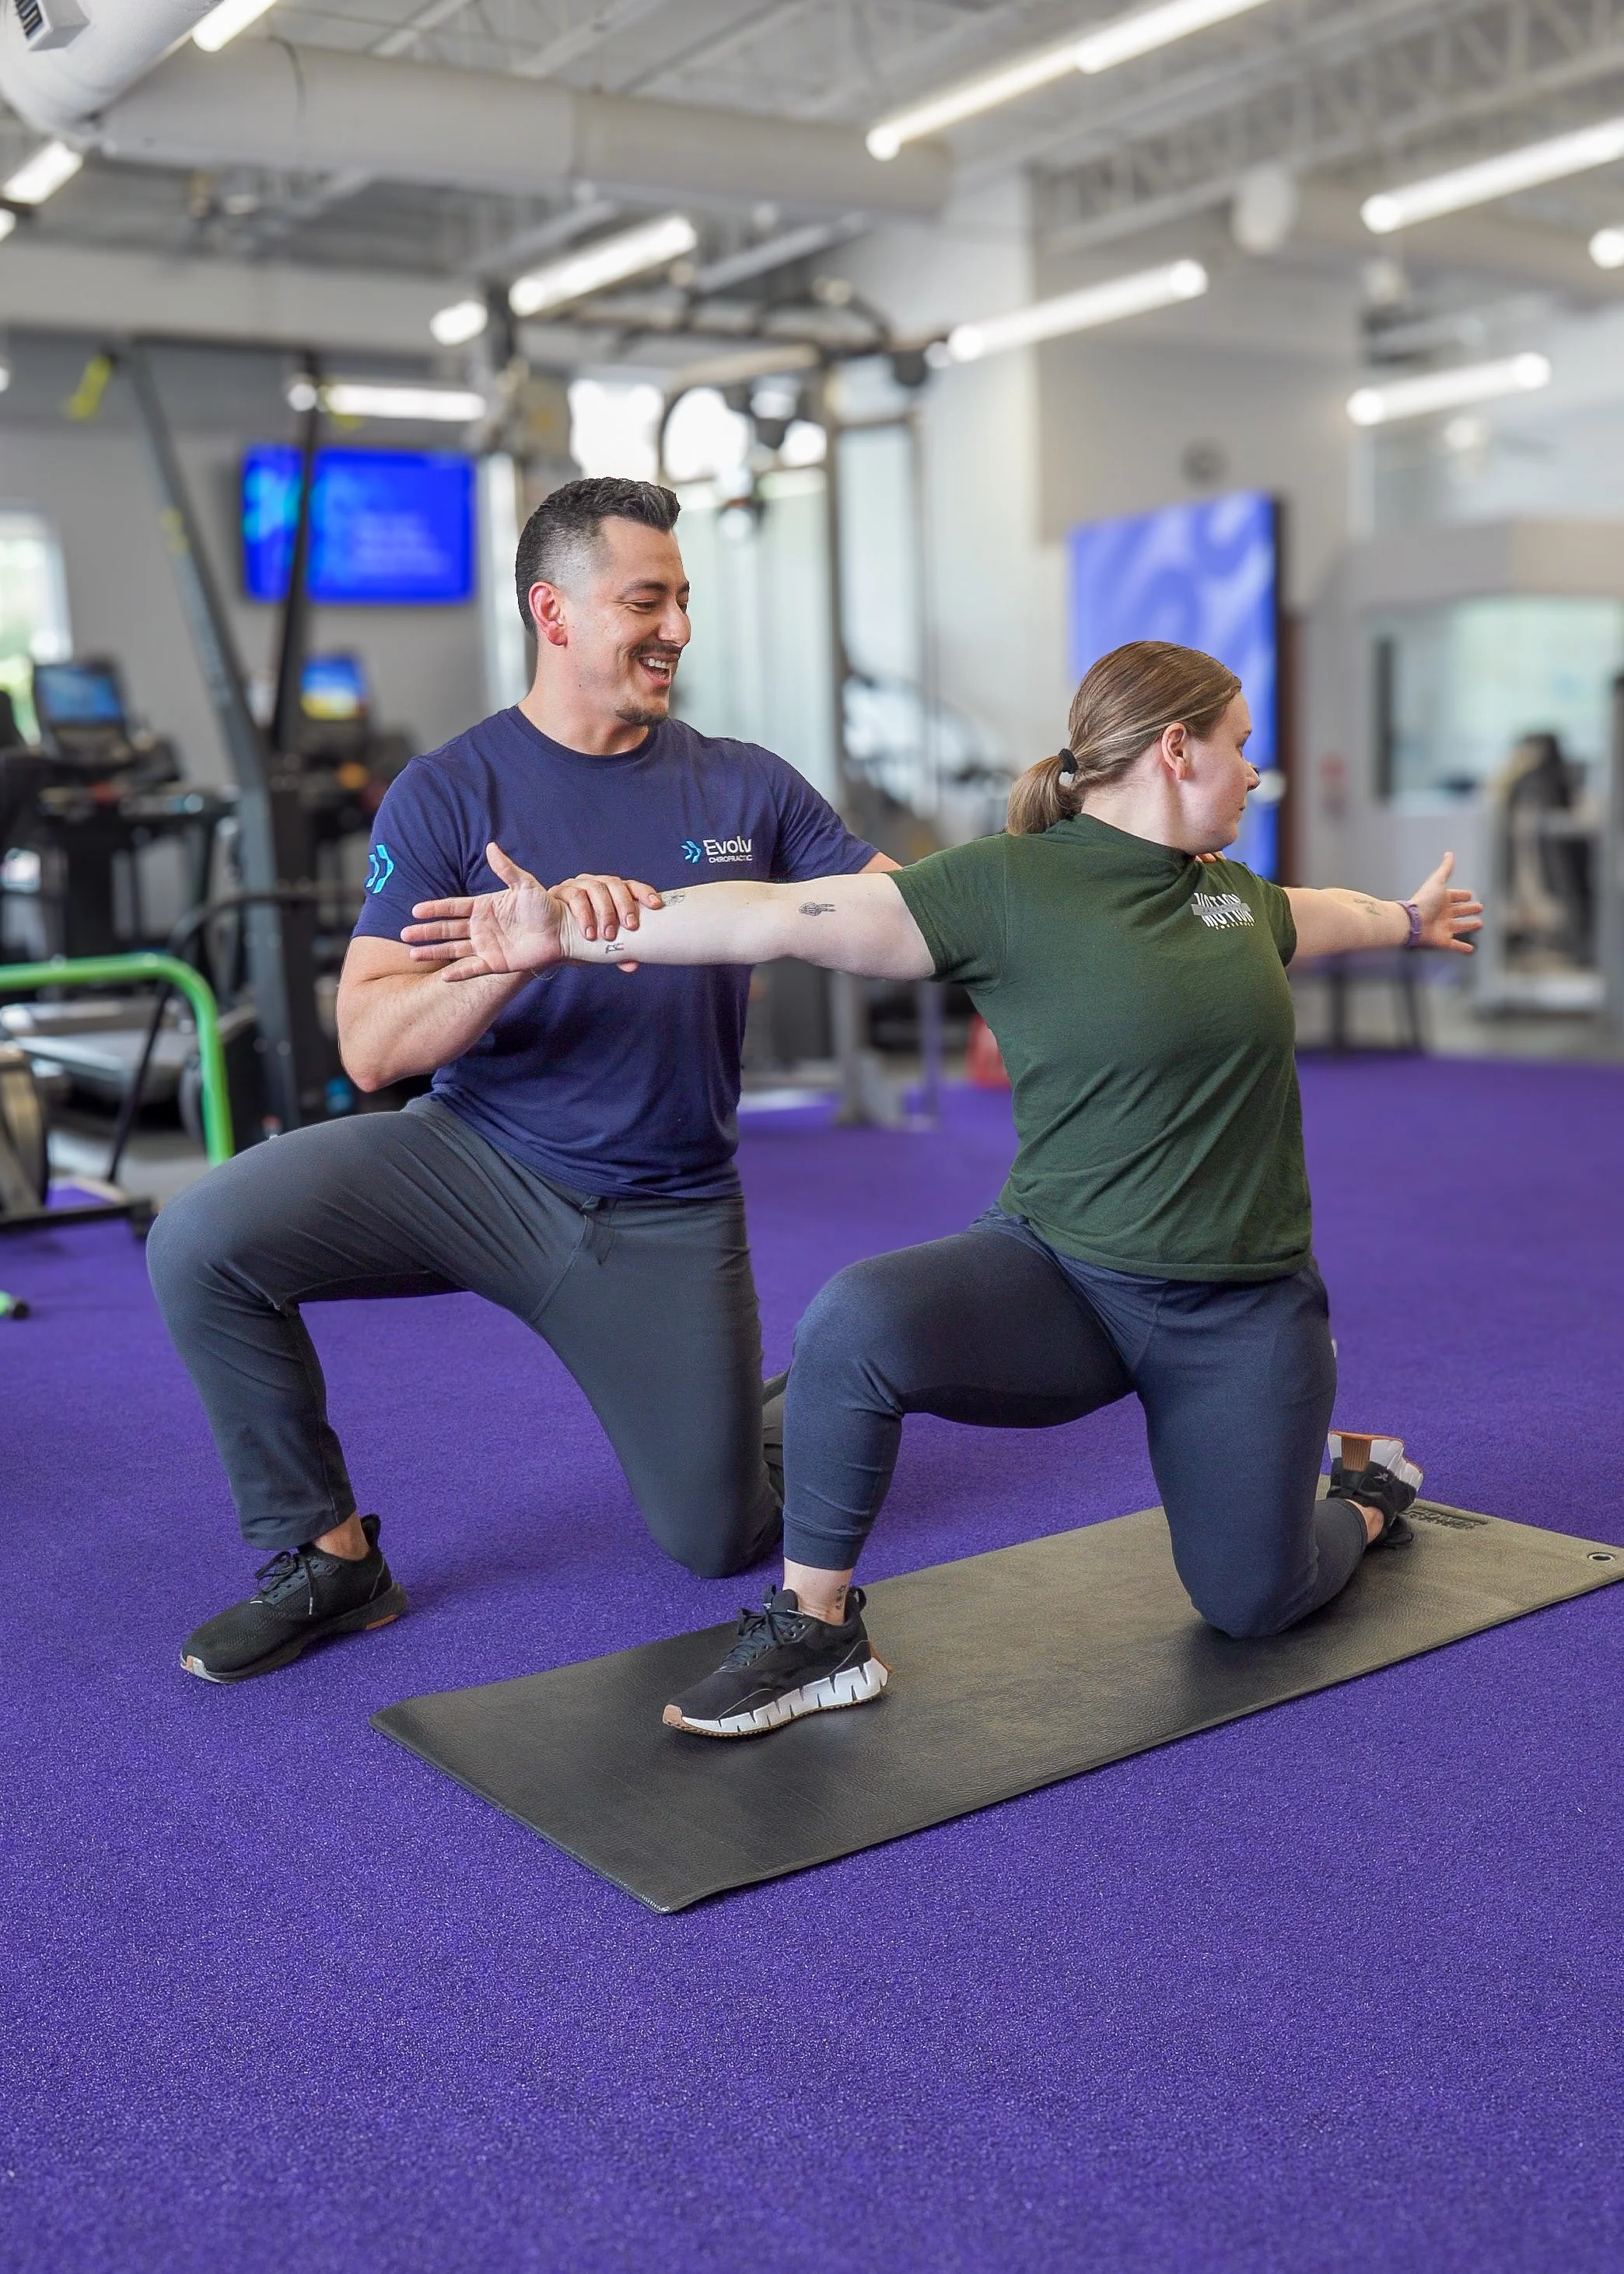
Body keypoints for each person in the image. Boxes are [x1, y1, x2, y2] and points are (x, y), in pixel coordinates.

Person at [401, 639, 1482, 1738]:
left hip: (1244, 1311)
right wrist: (570, 937)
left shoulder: (1235, 900)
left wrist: (1404, 917)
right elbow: (780, 914)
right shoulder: (1001, 889)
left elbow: (1322, 912)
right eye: (1241, 748)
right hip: (1067, 1278)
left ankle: (1365, 1493)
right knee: (857, 1318)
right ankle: (817, 1627)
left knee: (1257, 1602)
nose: (1254, 773)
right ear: (1175, 748)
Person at [147, 475, 892, 1684]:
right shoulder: (452, 790)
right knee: (200, 1241)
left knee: (717, 1539)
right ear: (555, 612)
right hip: (471, 1162)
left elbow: (903, 913)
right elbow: (371, 1048)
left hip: (661, 1207)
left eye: (685, 601)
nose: (680, 631)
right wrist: (514, 957)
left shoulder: (746, 786)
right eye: (648, 600)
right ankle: (331, 1561)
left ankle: (780, 1400)